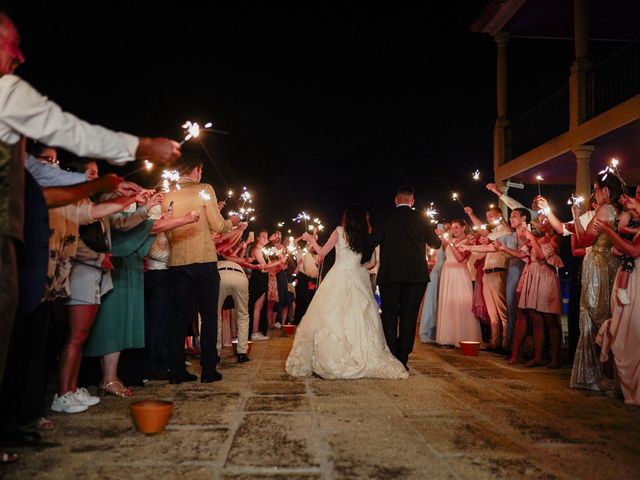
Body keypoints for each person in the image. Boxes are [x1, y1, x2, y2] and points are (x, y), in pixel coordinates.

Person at [0, 10, 180, 390]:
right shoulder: (6, 92)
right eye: (13, 47)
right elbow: (65, 128)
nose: (20, 58)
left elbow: (36, 173)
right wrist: (141, 145)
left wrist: (106, 186)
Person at [286, 205, 408, 379]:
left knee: (332, 314)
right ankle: (359, 354)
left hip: (338, 275)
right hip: (357, 276)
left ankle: (334, 357)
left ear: (347, 218)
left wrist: (311, 240)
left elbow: (321, 252)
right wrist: (357, 267)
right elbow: (373, 262)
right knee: (359, 316)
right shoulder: (365, 236)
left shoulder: (339, 231)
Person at [161, 154, 240, 384]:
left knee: (179, 317)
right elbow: (218, 224)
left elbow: (166, 228)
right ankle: (208, 369)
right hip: (203, 260)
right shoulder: (204, 189)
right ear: (196, 170)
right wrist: (232, 223)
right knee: (208, 315)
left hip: (177, 262)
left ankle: (176, 370)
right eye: (200, 170)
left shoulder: (168, 195)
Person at [371, 185, 441, 369]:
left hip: (390, 274)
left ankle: (391, 354)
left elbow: (372, 241)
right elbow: (436, 243)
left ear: (396, 200)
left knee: (389, 314)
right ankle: (403, 358)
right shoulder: (421, 218)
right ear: (412, 201)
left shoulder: (386, 217)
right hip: (416, 275)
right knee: (409, 316)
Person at [593, 195, 640, 406]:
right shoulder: (632, 221)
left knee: (630, 333)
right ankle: (623, 385)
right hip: (626, 279)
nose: (635, 197)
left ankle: (634, 388)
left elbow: (634, 251)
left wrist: (608, 231)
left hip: (637, 280)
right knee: (622, 331)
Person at [435, 220, 481, 347]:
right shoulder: (449, 241)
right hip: (447, 272)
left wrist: (451, 243)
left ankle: (463, 337)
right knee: (448, 303)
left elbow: (461, 259)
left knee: (461, 303)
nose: (454, 230)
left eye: (456, 227)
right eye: (452, 228)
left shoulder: (469, 241)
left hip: (459, 273)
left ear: (463, 227)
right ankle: (448, 338)